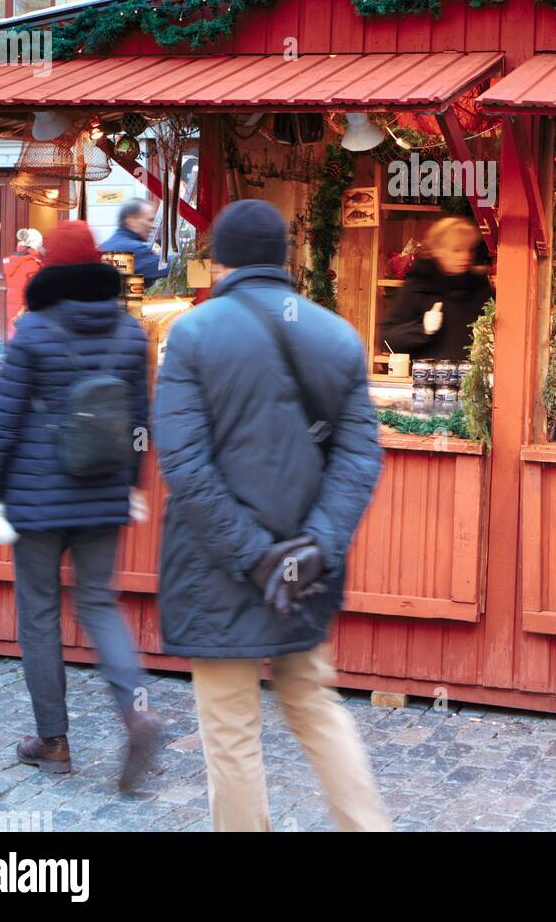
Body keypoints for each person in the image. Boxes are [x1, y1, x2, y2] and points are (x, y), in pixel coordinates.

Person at [153, 199, 389, 832]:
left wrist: (255, 556)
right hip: (306, 568)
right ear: (286, 257)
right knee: (314, 702)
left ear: (220, 258)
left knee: (230, 730)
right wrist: (314, 546)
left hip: (218, 567)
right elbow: (361, 456)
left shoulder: (193, 333)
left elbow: (182, 463)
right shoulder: (337, 334)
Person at [0, 220, 161, 789]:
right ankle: (137, 710)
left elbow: (3, 423)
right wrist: (132, 483)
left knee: (38, 615)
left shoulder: (33, 332)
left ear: (51, 267)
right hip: (103, 495)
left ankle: (53, 743)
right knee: (99, 606)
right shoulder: (131, 334)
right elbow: (139, 423)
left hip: (37, 499)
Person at [382, 216, 493, 362]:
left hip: (474, 379)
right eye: (457, 250)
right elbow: (387, 339)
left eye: (469, 250)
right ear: (438, 250)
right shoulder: (419, 285)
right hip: (428, 379)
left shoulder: (480, 286)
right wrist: (422, 330)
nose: (465, 256)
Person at [99, 199, 167, 282]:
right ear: (132, 221)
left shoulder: (109, 245)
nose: (153, 226)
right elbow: (167, 267)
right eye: (150, 220)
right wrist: (185, 258)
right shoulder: (130, 249)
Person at [3, 227, 43, 339]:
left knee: (15, 339)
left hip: (14, 312)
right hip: (27, 314)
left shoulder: (13, 262)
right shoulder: (33, 265)